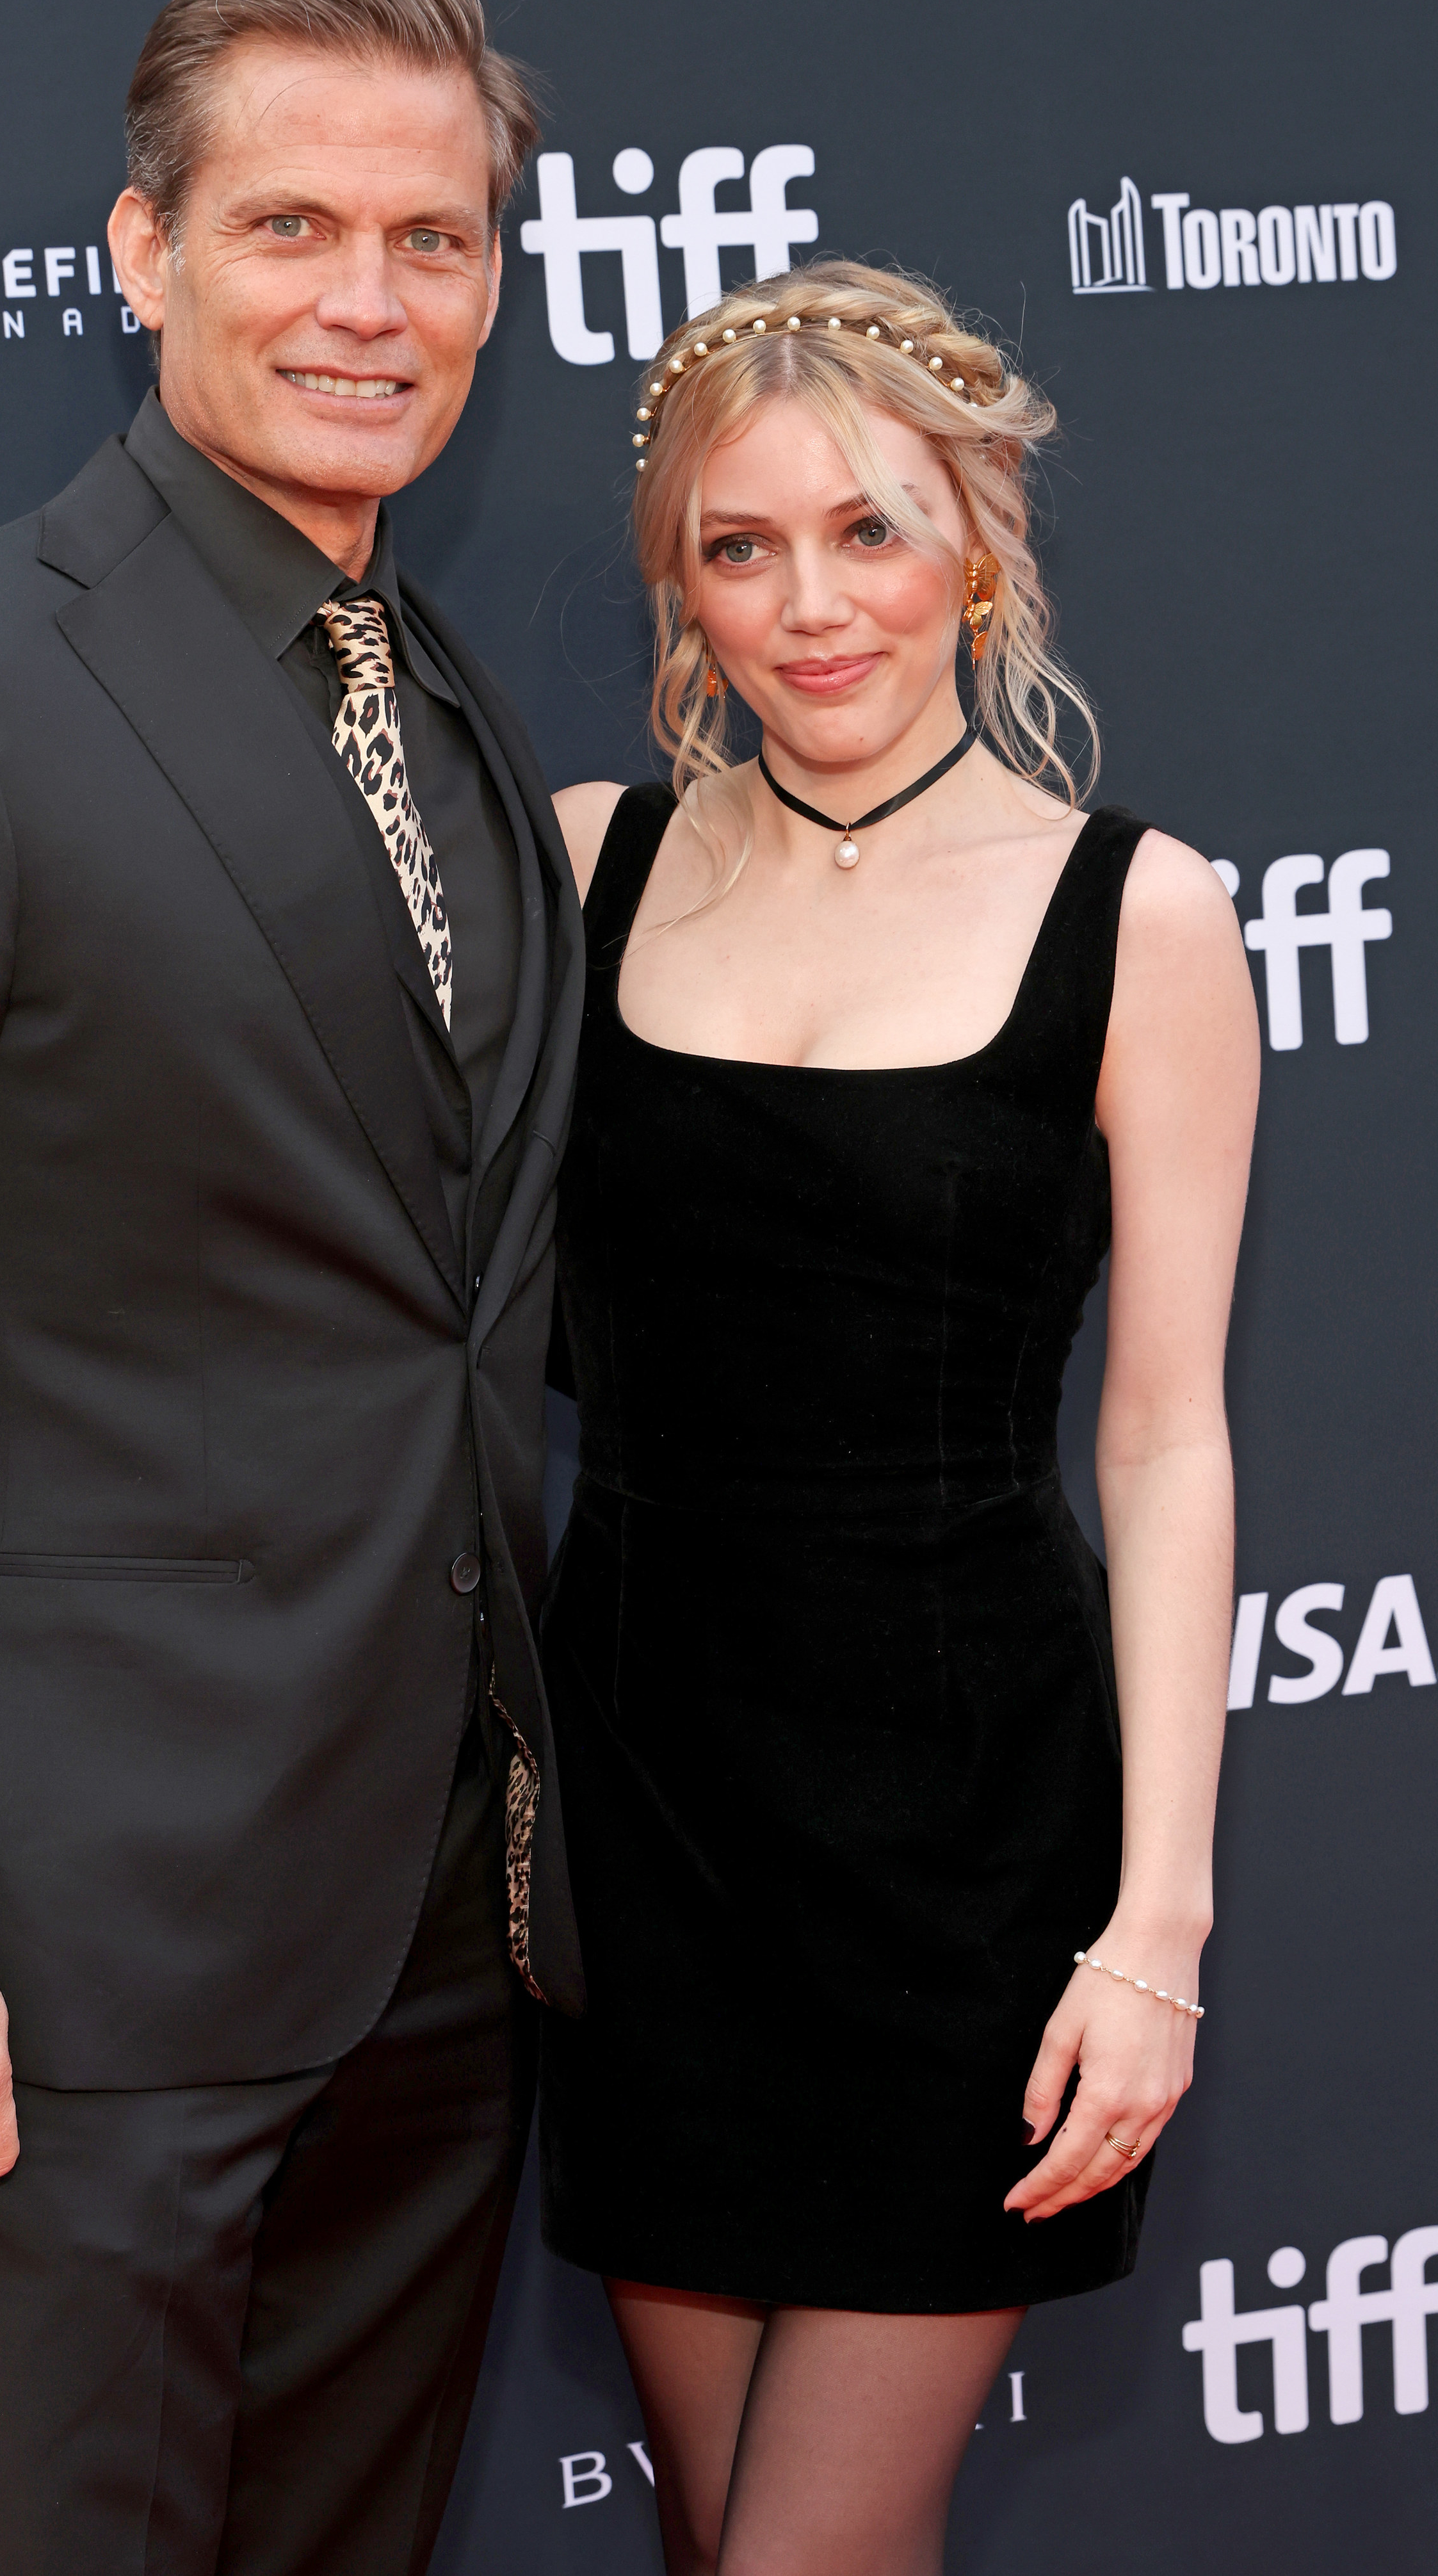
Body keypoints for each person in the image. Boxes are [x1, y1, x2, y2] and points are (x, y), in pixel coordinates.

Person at [0, 0, 585, 2576]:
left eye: (434, 240)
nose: (369, 302)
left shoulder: (434, 689)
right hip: (69, 1951)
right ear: (141, 250)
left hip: (428, 1909)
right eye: (293, 226)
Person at [538, 261, 1258, 2575]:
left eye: (869, 531)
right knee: (724, 2537)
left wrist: (1156, 1925)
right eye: (739, 548)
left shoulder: (1136, 915)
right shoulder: (585, 865)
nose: (811, 604)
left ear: (982, 543)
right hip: (645, 1814)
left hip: (965, 1842)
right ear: (680, 581)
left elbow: (1162, 1440)